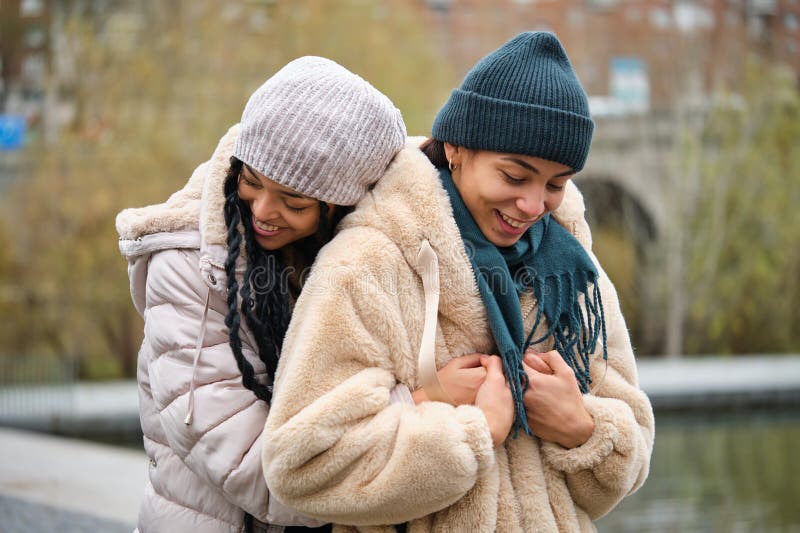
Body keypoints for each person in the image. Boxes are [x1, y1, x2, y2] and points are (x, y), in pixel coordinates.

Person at [262, 32, 654, 532]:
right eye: (515, 177)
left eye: (556, 184)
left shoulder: (574, 270)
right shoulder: (368, 263)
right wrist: (472, 431)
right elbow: (301, 466)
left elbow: (633, 450)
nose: (534, 206)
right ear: (457, 150)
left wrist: (582, 429)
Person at [116, 56, 406, 533]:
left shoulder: (357, 262)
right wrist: (415, 413)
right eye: (251, 181)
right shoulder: (190, 267)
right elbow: (245, 462)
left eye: (294, 201)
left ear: (342, 206)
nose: (263, 211)